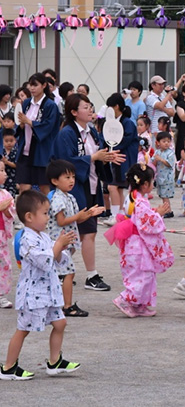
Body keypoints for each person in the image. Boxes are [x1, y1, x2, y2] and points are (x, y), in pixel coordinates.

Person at [0, 190, 80, 380]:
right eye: (44, 213)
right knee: (23, 329)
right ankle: (9, 367)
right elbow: (43, 261)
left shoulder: (43, 236)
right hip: (33, 294)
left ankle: (55, 362)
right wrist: (57, 246)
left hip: (49, 292)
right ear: (29, 217)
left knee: (60, 323)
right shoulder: (26, 239)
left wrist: (61, 246)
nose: (47, 217)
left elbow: (58, 260)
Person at [54, 94, 124, 293]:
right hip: (75, 188)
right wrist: (94, 156)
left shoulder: (92, 131)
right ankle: (90, 275)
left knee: (81, 233)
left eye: (90, 106)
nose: (90, 109)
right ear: (74, 112)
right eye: (85, 107)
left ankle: (60, 270)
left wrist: (106, 157)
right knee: (82, 233)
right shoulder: (66, 133)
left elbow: (95, 157)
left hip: (90, 185)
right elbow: (64, 161)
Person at [109, 164, 174, 318]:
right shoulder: (139, 201)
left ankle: (139, 305)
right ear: (145, 184)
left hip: (134, 241)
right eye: (152, 182)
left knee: (144, 274)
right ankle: (124, 300)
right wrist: (158, 214)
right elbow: (146, 222)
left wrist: (155, 212)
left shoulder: (133, 197)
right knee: (141, 275)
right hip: (137, 243)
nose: (153, 185)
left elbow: (140, 218)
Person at [45, 160, 103, 318]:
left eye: (73, 177)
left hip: (66, 242)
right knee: (68, 273)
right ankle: (67, 306)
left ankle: (54, 303)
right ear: (55, 181)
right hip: (59, 242)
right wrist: (79, 216)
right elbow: (61, 221)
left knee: (59, 273)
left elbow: (76, 220)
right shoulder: (57, 198)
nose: (71, 180)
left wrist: (89, 214)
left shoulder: (69, 197)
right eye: (67, 177)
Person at [16, 73, 60, 195]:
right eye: (31, 85)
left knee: (44, 186)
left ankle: (48, 212)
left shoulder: (50, 105)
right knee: (23, 186)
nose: (32, 88)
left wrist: (29, 122)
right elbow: (19, 123)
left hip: (41, 152)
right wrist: (21, 125)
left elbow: (49, 126)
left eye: (35, 85)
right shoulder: (26, 103)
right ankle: (23, 213)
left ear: (44, 85)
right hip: (25, 149)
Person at [103, 93, 138, 226]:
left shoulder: (127, 122)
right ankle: (122, 214)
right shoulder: (113, 122)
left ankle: (115, 215)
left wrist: (113, 149)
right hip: (116, 158)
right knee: (118, 188)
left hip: (124, 159)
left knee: (113, 186)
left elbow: (125, 140)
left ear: (116, 106)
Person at [153, 132, 175, 218]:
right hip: (160, 177)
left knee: (166, 195)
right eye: (164, 141)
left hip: (167, 178)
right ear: (158, 142)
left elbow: (170, 163)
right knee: (162, 195)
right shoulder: (157, 151)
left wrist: (161, 159)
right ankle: (167, 210)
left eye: (168, 141)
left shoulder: (170, 153)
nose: (166, 143)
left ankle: (168, 210)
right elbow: (153, 161)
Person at [0, 162, 13, 309]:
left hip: (1, 234)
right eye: (1, 170)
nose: (5, 173)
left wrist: (6, 210)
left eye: (4, 170)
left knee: (4, 264)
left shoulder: (6, 195)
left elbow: (10, 216)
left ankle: (1, 294)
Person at [2, 128, 18, 198]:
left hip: (12, 179)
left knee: (11, 196)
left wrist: (7, 162)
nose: (9, 143)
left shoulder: (16, 152)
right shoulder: (1, 152)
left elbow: (16, 165)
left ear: (15, 140)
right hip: (2, 178)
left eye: (11, 141)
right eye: (6, 141)